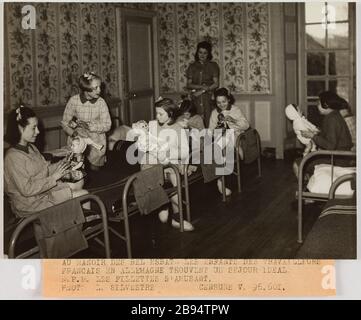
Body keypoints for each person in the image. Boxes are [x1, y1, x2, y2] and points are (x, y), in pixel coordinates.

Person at [4, 106, 88, 217]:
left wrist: (65, 162)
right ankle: (84, 224)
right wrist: (54, 178)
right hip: (29, 204)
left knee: (79, 182)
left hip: (41, 193)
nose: (38, 131)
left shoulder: (31, 148)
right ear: (20, 128)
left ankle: (77, 220)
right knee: (84, 194)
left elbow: (45, 170)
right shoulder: (12, 158)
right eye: (33, 128)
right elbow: (27, 189)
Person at [138, 98, 194, 231]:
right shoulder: (152, 125)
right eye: (156, 113)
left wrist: (168, 153)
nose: (157, 117)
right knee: (148, 168)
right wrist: (141, 138)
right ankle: (162, 204)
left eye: (160, 114)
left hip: (170, 164)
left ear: (171, 114)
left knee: (175, 180)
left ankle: (177, 217)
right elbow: (145, 145)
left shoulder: (178, 129)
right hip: (154, 165)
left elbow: (185, 152)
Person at [293, 91, 353, 177]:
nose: (317, 106)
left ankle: (302, 187)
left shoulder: (332, 119)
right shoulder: (334, 115)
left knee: (298, 163)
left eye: (318, 103)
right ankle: (308, 182)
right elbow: (330, 135)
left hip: (337, 159)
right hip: (340, 157)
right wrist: (317, 132)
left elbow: (330, 146)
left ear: (326, 105)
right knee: (306, 159)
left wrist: (312, 136)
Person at [62, 72, 112, 171]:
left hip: (96, 141)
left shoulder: (101, 103)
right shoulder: (74, 101)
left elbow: (107, 125)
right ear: (85, 89)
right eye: (95, 88)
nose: (100, 90)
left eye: (100, 87)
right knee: (77, 169)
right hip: (77, 141)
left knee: (95, 170)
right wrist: (74, 133)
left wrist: (91, 127)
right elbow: (64, 123)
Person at [209, 87, 250, 196]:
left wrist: (233, 120)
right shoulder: (214, 113)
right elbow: (210, 130)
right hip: (220, 139)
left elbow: (246, 126)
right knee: (214, 151)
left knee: (224, 144)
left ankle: (221, 180)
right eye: (218, 102)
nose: (221, 104)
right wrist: (216, 129)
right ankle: (220, 179)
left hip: (235, 136)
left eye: (224, 101)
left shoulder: (235, 110)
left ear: (229, 100)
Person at [186, 41, 220, 126]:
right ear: (197, 53)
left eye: (205, 53)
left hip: (208, 98)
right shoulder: (192, 66)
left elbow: (216, 84)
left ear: (208, 54)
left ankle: (209, 139)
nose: (202, 55)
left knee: (210, 121)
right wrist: (202, 87)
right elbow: (189, 84)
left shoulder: (213, 65)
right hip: (195, 98)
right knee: (197, 122)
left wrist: (202, 91)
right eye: (200, 52)